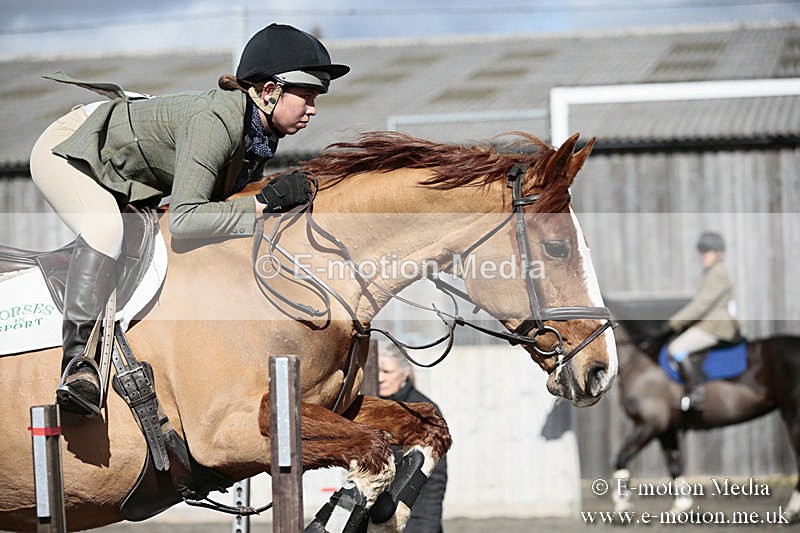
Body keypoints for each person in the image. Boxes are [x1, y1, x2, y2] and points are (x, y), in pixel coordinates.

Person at [28, 23, 349, 416]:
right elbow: (185, 219)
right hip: (70, 150)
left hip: (123, 168)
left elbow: (218, 209)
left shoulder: (258, 134)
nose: (313, 108)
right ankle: (78, 367)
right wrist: (262, 206)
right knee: (106, 230)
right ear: (269, 92)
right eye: (308, 96)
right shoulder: (215, 123)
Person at [666, 231, 739, 412]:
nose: (702, 256)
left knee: (676, 349)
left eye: (706, 252)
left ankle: (696, 391)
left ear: (719, 253)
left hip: (715, 326)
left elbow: (700, 305)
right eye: (701, 252)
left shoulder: (718, 274)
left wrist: (674, 322)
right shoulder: (710, 272)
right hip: (708, 323)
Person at [378, 345, 448, 532]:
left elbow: (433, 480)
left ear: (405, 373)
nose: (380, 378)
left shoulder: (424, 413)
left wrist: (425, 526)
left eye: (387, 371)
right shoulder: (369, 409)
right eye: (377, 371)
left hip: (415, 519)